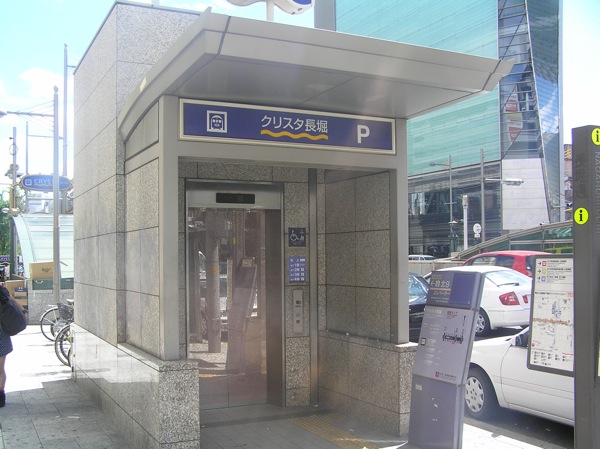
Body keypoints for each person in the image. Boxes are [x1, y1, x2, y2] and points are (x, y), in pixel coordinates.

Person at [0, 282, 16, 408]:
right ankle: (1, 396)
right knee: (0, 369)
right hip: (2, 335)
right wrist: (23, 311)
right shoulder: (2, 291)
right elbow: (13, 301)